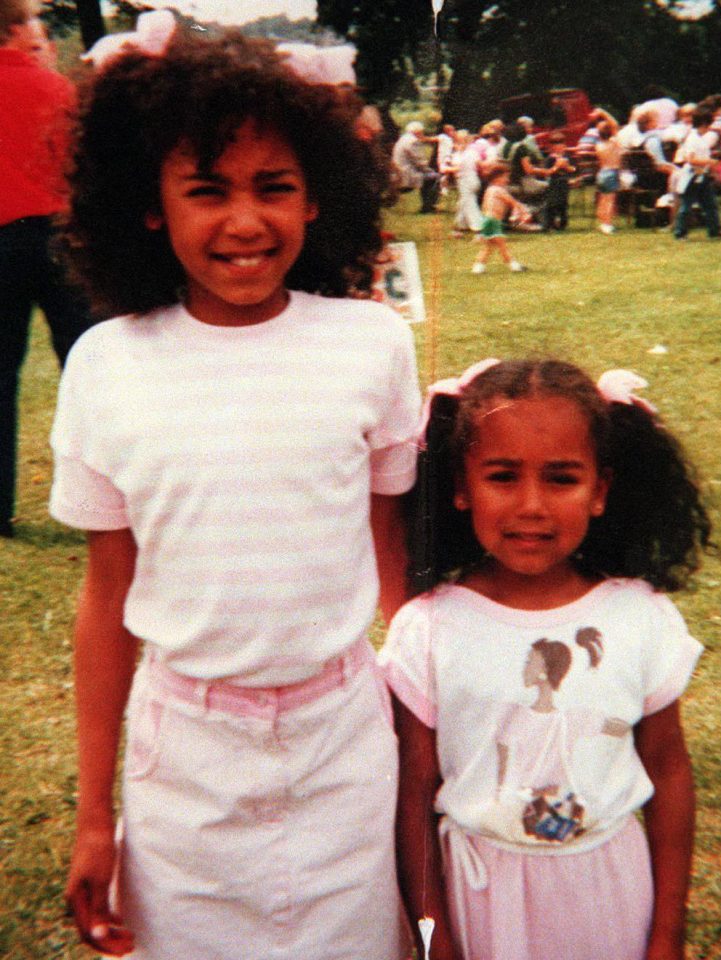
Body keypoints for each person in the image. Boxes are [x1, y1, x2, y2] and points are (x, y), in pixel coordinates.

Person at [49, 27, 421, 960]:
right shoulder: (106, 366)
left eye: (274, 187)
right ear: (149, 206)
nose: (244, 222)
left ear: (317, 195)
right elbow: (105, 603)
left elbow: (395, 564)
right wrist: (97, 817)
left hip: (346, 744)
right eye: (207, 190)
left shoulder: (370, 346)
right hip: (186, 763)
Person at [380, 358, 712, 960]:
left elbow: (667, 770)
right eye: (503, 476)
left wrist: (667, 934)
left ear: (600, 491)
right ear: (460, 486)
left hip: (610, 892)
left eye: (561, 479)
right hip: (479, 899)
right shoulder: (428, 629)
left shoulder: (638, 618)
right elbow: (412, 799)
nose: (532, 505)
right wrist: (436, 940)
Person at [0, 0, 93, 538]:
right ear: (16, 29)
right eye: (34, 21)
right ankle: (108, 497)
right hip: (55, 235)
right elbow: (78, 169)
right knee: (85, 368)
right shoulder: (56, 91)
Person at [673, 106, 721, 240]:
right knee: (686, 206)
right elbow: (691, 159)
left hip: (702, 176)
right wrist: (710, 161)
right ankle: (680, 232)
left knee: (710, 205)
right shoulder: (692, 138)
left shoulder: (701, 138)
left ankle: (714, 231)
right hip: (692, 177)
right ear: (704, 124)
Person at [470, 164, 529, 274]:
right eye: (505, 177)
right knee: (502, 245)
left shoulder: (490, 190)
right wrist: (524, 211)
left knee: (488, 246)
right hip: (493, 221)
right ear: (497, 177)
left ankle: (478, 267)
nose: (507, 180)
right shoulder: (498, 190)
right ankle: (514, 265)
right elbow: (512, 202)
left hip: (487, 220)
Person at [392, 119, 441, 213]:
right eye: (422, 132)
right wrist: (431, 171)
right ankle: (428, 207)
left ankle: (427, 206)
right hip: (407, 175)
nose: (422, 134)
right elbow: (419, 162)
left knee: (429, 177)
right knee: (435, 177)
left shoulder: (402, 139)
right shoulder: (413, 141)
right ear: (418, 132)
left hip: (398, 173)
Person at [539, 133, 575, 231]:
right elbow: (546, 172)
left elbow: (573, 169)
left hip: (564, 183)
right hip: (553, 183)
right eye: (556, 145)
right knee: (553, 203)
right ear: (552, 147)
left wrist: (567, 167)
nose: (559, 147)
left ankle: (562, 222)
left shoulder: (567, 157)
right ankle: (551, 223)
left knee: (563, 204)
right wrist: (557, 167)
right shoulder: (550, 159)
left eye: (561, 145)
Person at [593, 111, 622, 234]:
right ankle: (607, 224)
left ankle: (602, 222)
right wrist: (603, 113)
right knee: (610, 200)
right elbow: (615, 123)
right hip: (611, 172)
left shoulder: (598, 145)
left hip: (601, 173)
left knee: (602, 200)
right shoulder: (614, 143)